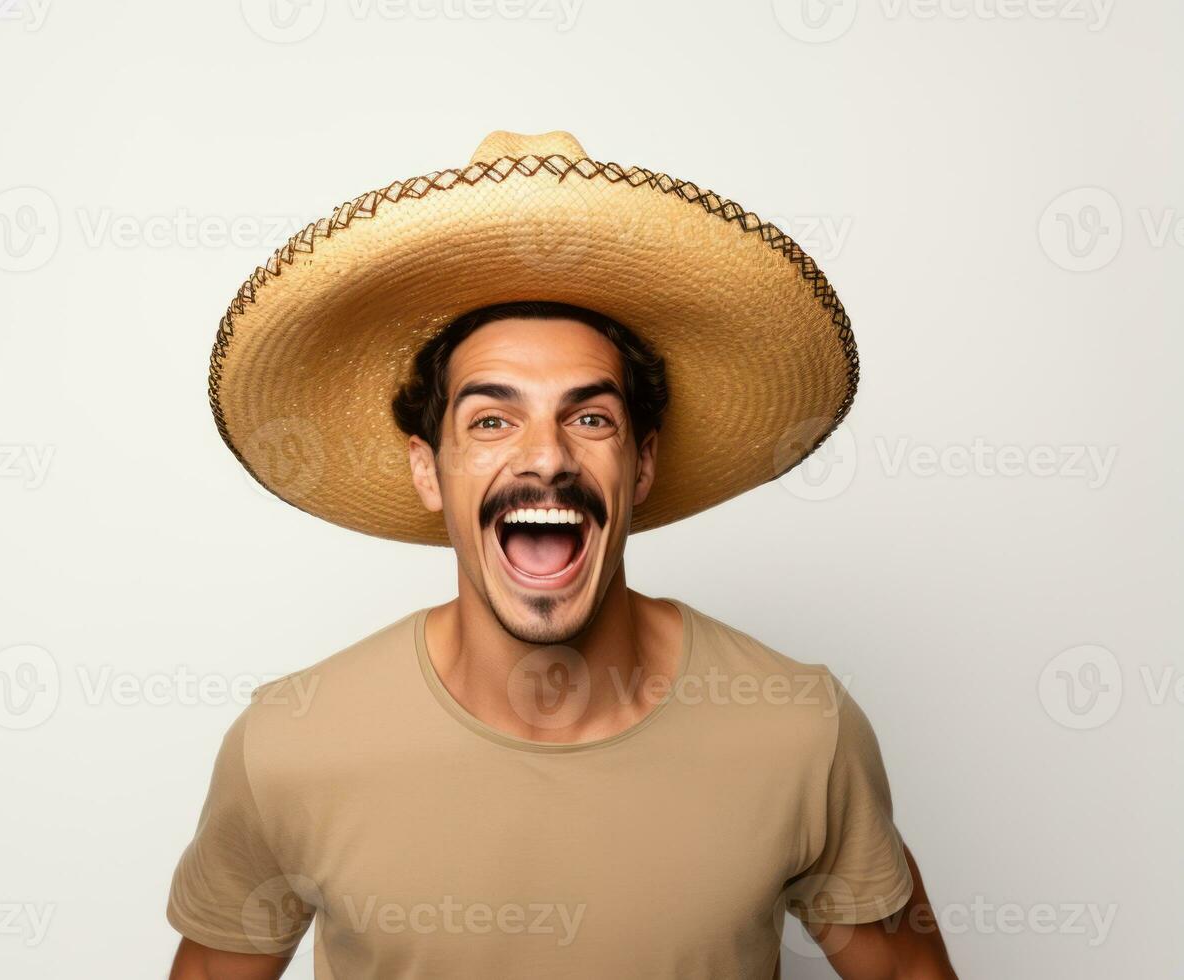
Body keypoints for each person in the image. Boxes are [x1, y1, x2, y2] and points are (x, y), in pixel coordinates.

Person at [166, 131, 957, 979]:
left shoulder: (800, 730)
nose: (545, 457)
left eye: (589, 418)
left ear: (642, 464)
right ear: (427, 470)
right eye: (491, 421)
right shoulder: (293, 743)